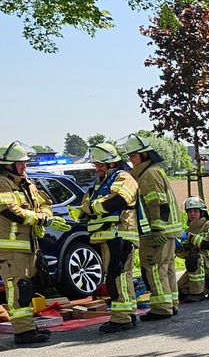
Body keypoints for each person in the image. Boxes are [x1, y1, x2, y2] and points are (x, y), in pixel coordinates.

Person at [0, 141, 70, 345]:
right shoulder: (2, 183)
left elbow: (45, 203)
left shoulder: (26, 182)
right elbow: (10, 211)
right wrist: (41, 219)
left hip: (28, 247)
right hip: (10, 249)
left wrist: (45, 214)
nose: (24, 166)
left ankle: (28, 327)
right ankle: (23, 332)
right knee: (18, 289)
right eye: (20, 163)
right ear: (7, 164)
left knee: (27, 288)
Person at [117, 133, 182, 321]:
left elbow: (157, 204)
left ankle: (161, 307)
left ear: (144, 155)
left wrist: (156, 230)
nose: (131, 160)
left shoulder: (148, 175)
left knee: (154, 268)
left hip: (156, 232)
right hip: (167, 231)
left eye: (133, 156)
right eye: (129, 157)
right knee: (166, 267)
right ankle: (171, 303)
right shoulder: (153, 171)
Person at [81, 142, 140, 334]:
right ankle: (128, 313)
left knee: (118, 275)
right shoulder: (99, 184)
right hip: (108, 235)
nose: (98, 168)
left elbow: (119, 200)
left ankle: (121, 318)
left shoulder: (124, 177)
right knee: (120, 275)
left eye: (101, 165)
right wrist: (91, 207)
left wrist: (94, 206)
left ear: (112, 163)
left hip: (120, 234)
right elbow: (85, 206)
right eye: (96, 165)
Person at [177, 197, 209, 302]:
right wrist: (176, 247)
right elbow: (186, 254)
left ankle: (198, 293)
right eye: (190, 212)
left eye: (195, 211)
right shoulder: (189, 229)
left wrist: (189, 237)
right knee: (179, 293)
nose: (192, 214)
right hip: (198, 265)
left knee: (194, 259)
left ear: (202, 212)